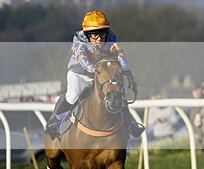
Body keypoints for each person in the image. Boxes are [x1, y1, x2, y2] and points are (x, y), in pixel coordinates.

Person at [44, 10, 144, 139]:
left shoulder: (111, 37)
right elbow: (82, 58)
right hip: (79, 74)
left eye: (102, 35)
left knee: (116, 92)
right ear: (87, 34)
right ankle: (55, 122)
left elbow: (120, 55)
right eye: (95, 36)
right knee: (73, 94)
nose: (99, 39)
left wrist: (128, 73)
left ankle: (130, 124)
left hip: (100, 75)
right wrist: (97, 69)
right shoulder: (79, 38)